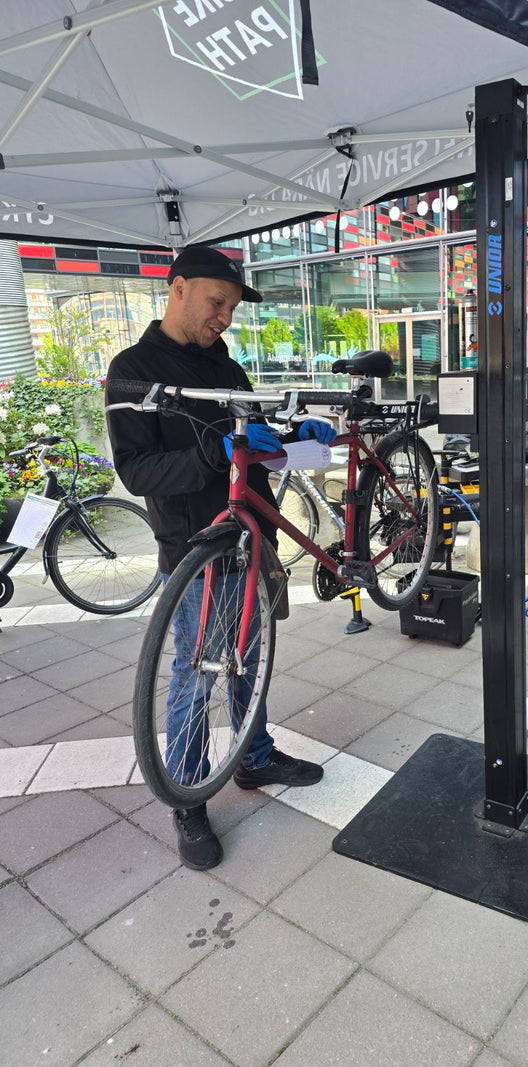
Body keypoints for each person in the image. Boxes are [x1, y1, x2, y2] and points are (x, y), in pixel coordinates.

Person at [106, 245, 336, 871]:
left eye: (231, 308)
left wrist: (297, 434)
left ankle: (254, 756)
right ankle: (187, 796)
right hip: (192, 550)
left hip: (251, 536)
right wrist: (216, 455)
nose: (224, 318)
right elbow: (135, 469)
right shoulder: (132, 370)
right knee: (196, 671)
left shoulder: (227, 368)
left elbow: (253, 441)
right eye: (216, 303)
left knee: (251, 659)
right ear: (177, 289)